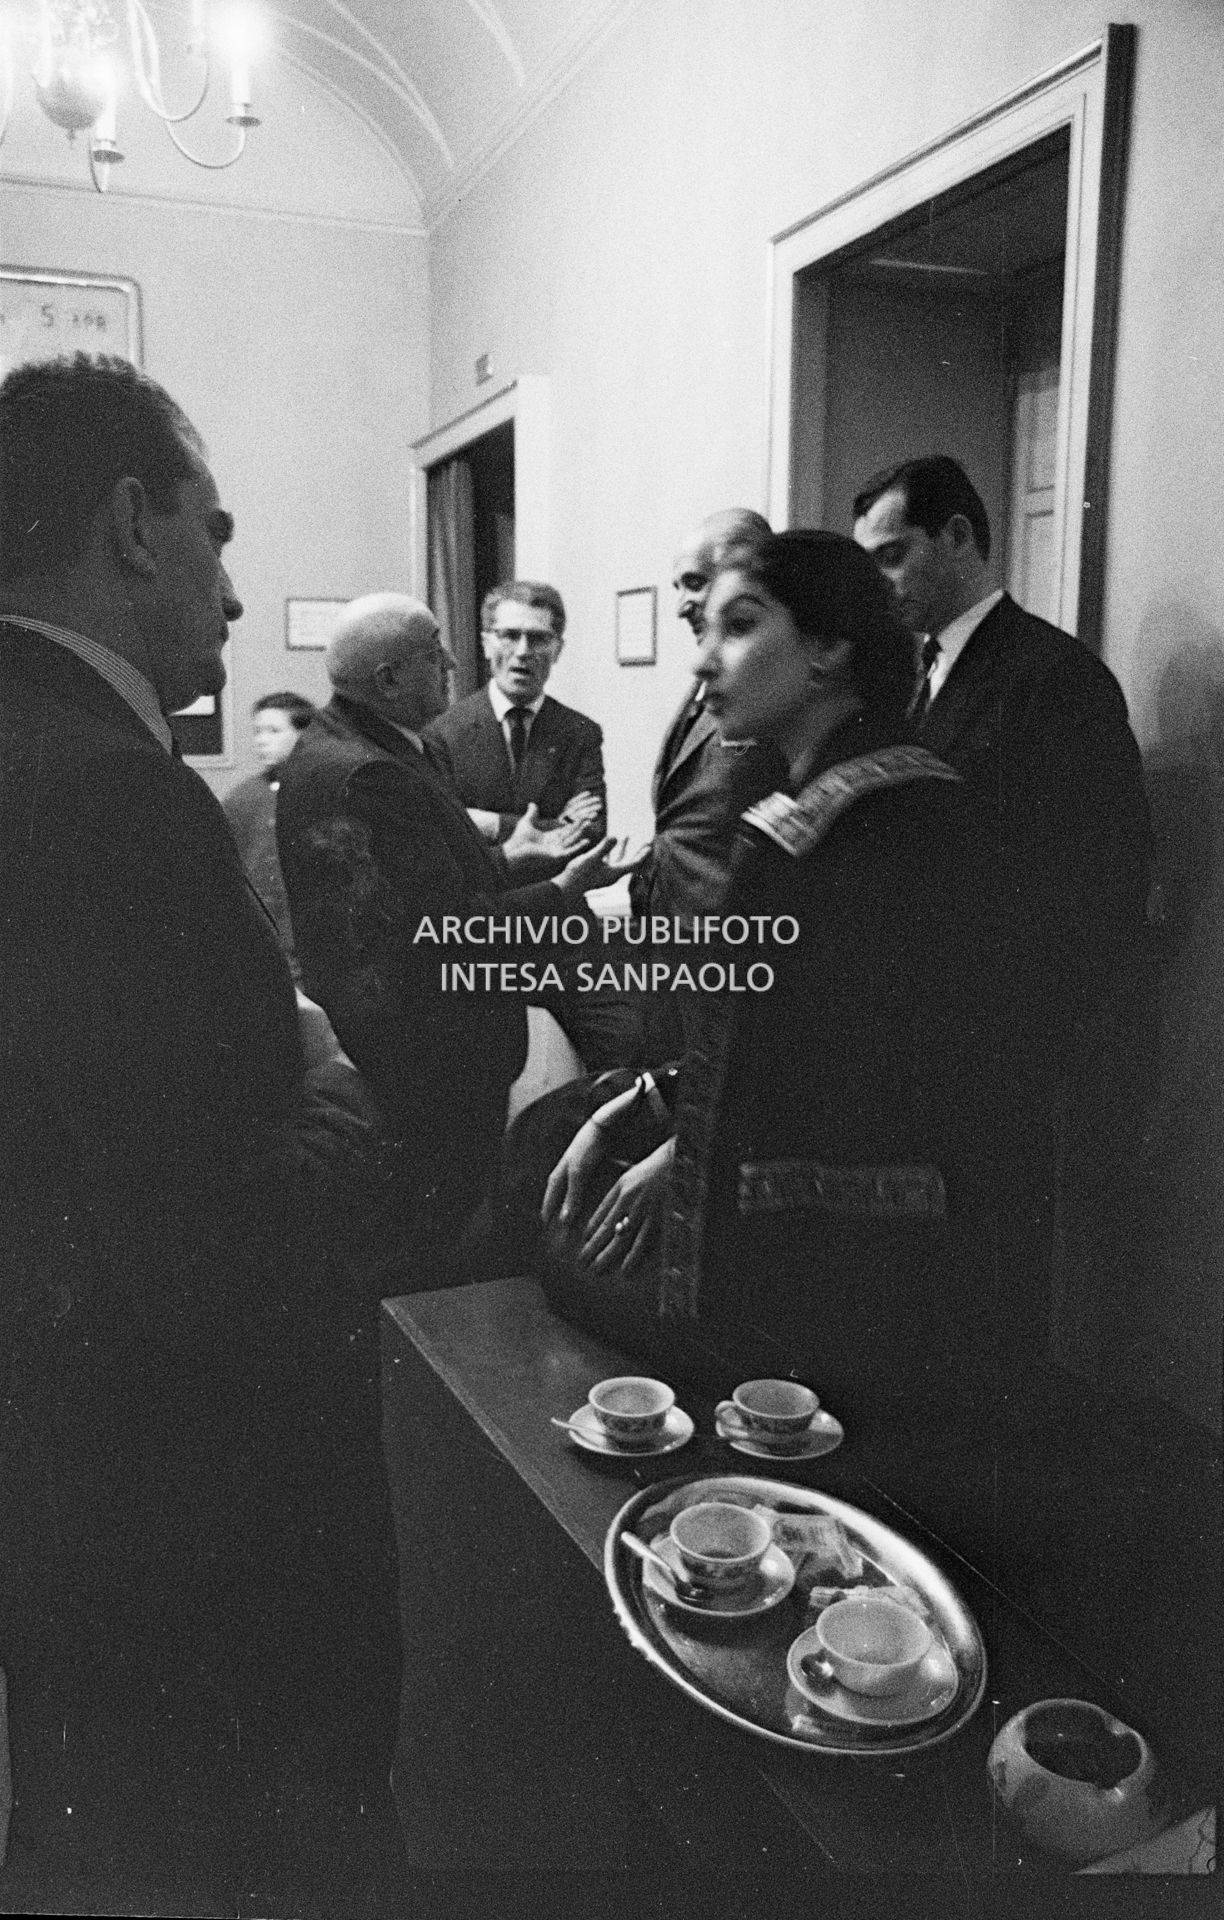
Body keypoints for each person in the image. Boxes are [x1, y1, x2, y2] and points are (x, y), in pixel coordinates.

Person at [0, 355, 406, 1903]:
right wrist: (307, 1098)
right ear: (132, 525)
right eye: (216, 533)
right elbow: (225, 1220)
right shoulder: (116, 791)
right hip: (195, 1501)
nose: (235, 598)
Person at [540, 531, 1018, 1434]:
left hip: (842, 1249)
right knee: (553, 1150)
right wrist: (639, 1108)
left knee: (563, 1237)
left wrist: (683, 1155)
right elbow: (766, 1039)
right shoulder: (822, 810)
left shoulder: (871, 824)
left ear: (829, 649)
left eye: (739, 627)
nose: (703, 661)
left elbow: (846, 1079)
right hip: (794, 1188)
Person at [852, 455, 1156, 1366]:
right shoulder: (911, 679)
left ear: (959, 537)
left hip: (997, 1048)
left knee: (990, 1293)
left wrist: (1020, 1032)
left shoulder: (1054, 677)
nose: (880, 582)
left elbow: (1108, 882)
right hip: (917, 1041)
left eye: (894, 554)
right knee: (921, 1294)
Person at [275, 592, 618, 1263]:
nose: (456, 661)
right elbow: (440, 932)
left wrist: (508, 859)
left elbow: (425, 879)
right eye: (436, 652)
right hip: (431, 1062)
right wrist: (561, 888)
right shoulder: (367, 772)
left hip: (412, 1052)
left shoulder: (363, 745)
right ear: (391, 681)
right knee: (434, 1242)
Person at [629, 508, 774, 923]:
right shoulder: (705, 678)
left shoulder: (774, 686)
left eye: (695, 583)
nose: (680, 606)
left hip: (734, 945)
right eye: (678, 587)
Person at [423, 579, 605, 847]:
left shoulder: (580, 731)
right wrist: (557, 824)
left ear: (557, 650)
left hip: (558, 887)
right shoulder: (442, 733)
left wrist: (490, 824)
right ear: (486, 644)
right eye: (509, 635)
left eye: (539, 638)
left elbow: (592, 830)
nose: (523, 652)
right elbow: (444, 830)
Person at [222, 688, 315, 975]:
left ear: (303, 735)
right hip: (262, 943)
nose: (261, 740)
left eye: (274, 731)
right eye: (257, 731)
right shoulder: (243, 798)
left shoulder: (320, 791)